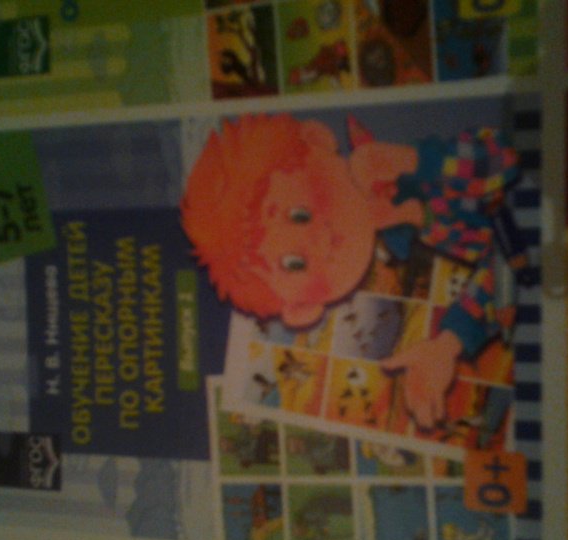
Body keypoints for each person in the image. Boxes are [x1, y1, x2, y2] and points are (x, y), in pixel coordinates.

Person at [181, 113, 521, 429]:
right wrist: (448, 344)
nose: (319, 239)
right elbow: (507, 266)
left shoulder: (398, 172)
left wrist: (413, 162)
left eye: (300, 215)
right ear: (302, 308)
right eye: (296, 264)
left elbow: (505, 160)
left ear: (318, 140)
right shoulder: (400, 241)